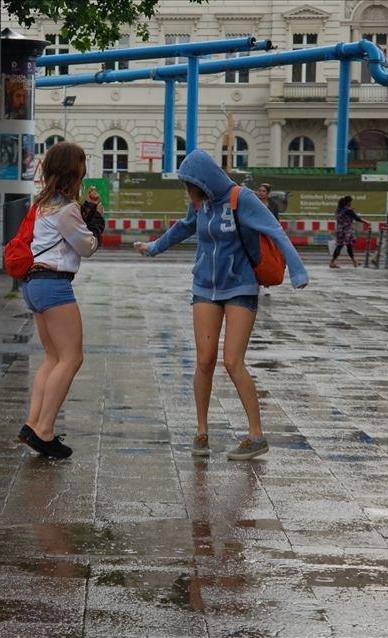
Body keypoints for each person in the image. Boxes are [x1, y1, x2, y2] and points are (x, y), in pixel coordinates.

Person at [134, 150, 309, 460]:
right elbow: (183, 227)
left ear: (205, 181)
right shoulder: (199, 204)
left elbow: (275, 232)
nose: (189, 193)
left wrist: (298, 272)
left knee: (232, 361)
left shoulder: (242, 198)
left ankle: (257, 435)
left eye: (191, 186)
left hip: (240, 286)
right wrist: (153, 248)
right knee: (204, 361)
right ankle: (201, 432)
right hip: (205, 286)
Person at [16, 142, 105, 459]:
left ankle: (32, 424)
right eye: (82, 166)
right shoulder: (66, 209)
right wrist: (97, 219)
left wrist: (89, 209)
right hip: (53, 285)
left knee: (54, 358)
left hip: (34, 284)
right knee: (71, 359)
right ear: (75, 171)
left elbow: (68, 228)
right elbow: (87, 246)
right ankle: (44, 431)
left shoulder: (44, 205)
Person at [257, 183, 280, 296]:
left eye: (263, 191)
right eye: (259, 190)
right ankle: (255, 283)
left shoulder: (273, 205)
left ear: (268, 193)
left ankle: (266, 285)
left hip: (268, 234)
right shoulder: (254, 202)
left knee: (267, 259)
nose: (260, 193)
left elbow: (276, 219)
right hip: (255, 233)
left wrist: (276, 233)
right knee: (255, 257)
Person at [329, 195, 365, 268]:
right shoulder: (348, 210)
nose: (351, 204)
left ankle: (354, 261)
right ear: (348, 202)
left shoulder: (338, 209)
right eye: (351, 202)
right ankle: (332, 262)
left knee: (343, 246)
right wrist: (366, 222)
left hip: (340, 230)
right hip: (347, 231)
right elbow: (356, 218)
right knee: (345, 246)